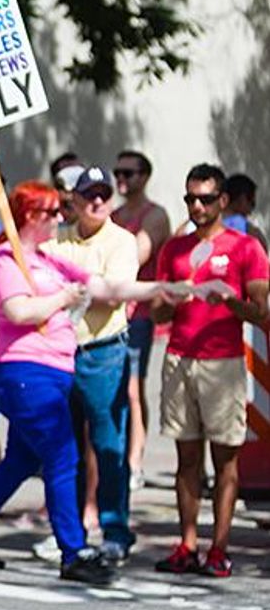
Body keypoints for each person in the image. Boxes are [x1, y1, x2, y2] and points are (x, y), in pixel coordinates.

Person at [0, 181, 182, 585]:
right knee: (63, 456)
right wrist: (62, 300)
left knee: (20, 460)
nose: (59, 218)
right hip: (25, 373)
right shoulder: (6, 258)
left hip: (52, 371)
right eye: (51, 212)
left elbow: (104, 286)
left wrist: (161, 287)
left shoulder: (46, 259)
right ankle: (73, 552)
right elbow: (17, 310)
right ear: (31, 217)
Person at [153, 163, 269, 578]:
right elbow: (156, 310)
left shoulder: (245, 247)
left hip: (224, 362)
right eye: (190, 199)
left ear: (222, 200)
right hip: (179, 357)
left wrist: (228, 301)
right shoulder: (175, 249)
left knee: (226, 460)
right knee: (186, 458)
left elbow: (260, 314)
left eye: (205, 198)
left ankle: (219, 548)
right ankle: (187, 542)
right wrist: (174, 297)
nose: (197, 206)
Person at [46, 165, 139, 563]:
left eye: (104, 194)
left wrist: (68, 289)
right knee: (67, 449)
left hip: (103, 352)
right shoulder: (57, 237)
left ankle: (115, 529)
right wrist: (81, 287)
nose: (98, 201)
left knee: (107, 445)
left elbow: (113, 296)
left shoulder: (122, 241)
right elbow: (36, 277)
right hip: (61, 352)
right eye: (89, 195)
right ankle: (71, 532)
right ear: (76, 200)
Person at [111, 149, 171, 490]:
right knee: (111, 391)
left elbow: (136, 256)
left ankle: (134, 461)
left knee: (133, 389)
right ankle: (117, 456)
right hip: (112, 314)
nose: (121, 179)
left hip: (139, 315)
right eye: (117, 172)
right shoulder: (114, 214)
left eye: (128, 173)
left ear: (144, 177)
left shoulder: (155, 215)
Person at [223, 173, 268, 251]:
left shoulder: (206, 227)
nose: (251, 211)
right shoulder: (251, 233)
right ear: (242, 199)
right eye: (252, 204)